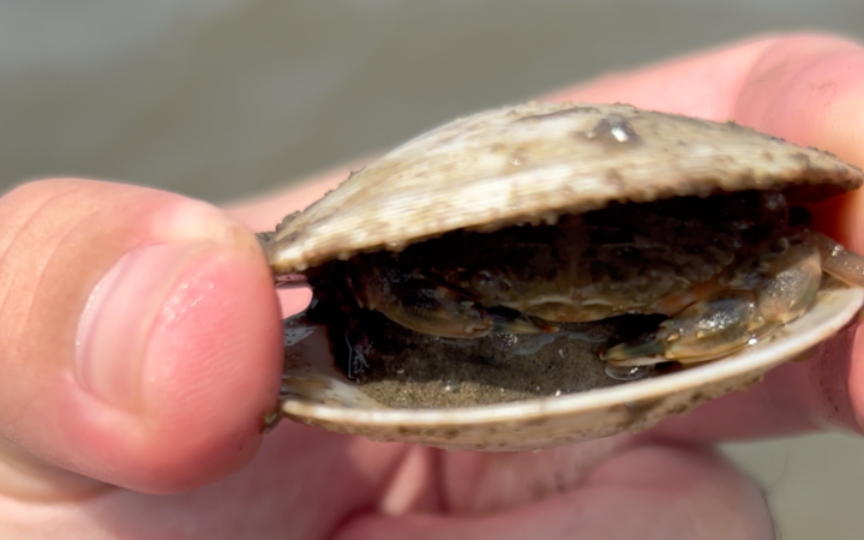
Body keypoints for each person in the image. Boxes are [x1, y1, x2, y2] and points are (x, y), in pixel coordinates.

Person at [1, 32, 861, 539]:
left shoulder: (750, 237)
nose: (567, 297)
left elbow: (804, 257)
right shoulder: (377, 280)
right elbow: (358, 281)